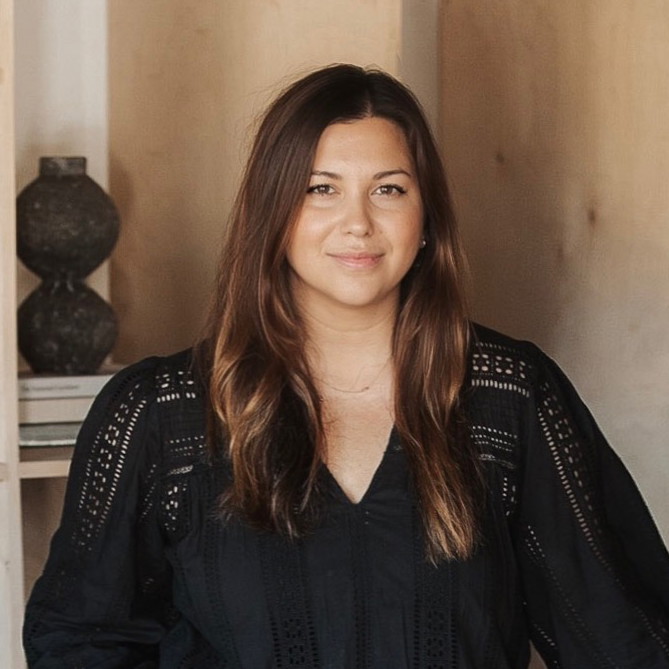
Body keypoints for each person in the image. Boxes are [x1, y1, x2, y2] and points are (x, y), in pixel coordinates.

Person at [23, 64, 669, 668]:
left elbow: (623, 632)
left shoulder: (510, 396)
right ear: (272, 213)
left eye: (387, 189)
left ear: (426, 221)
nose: (356, 223)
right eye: (320, 189)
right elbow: (81, 638)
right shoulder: (159, 414)